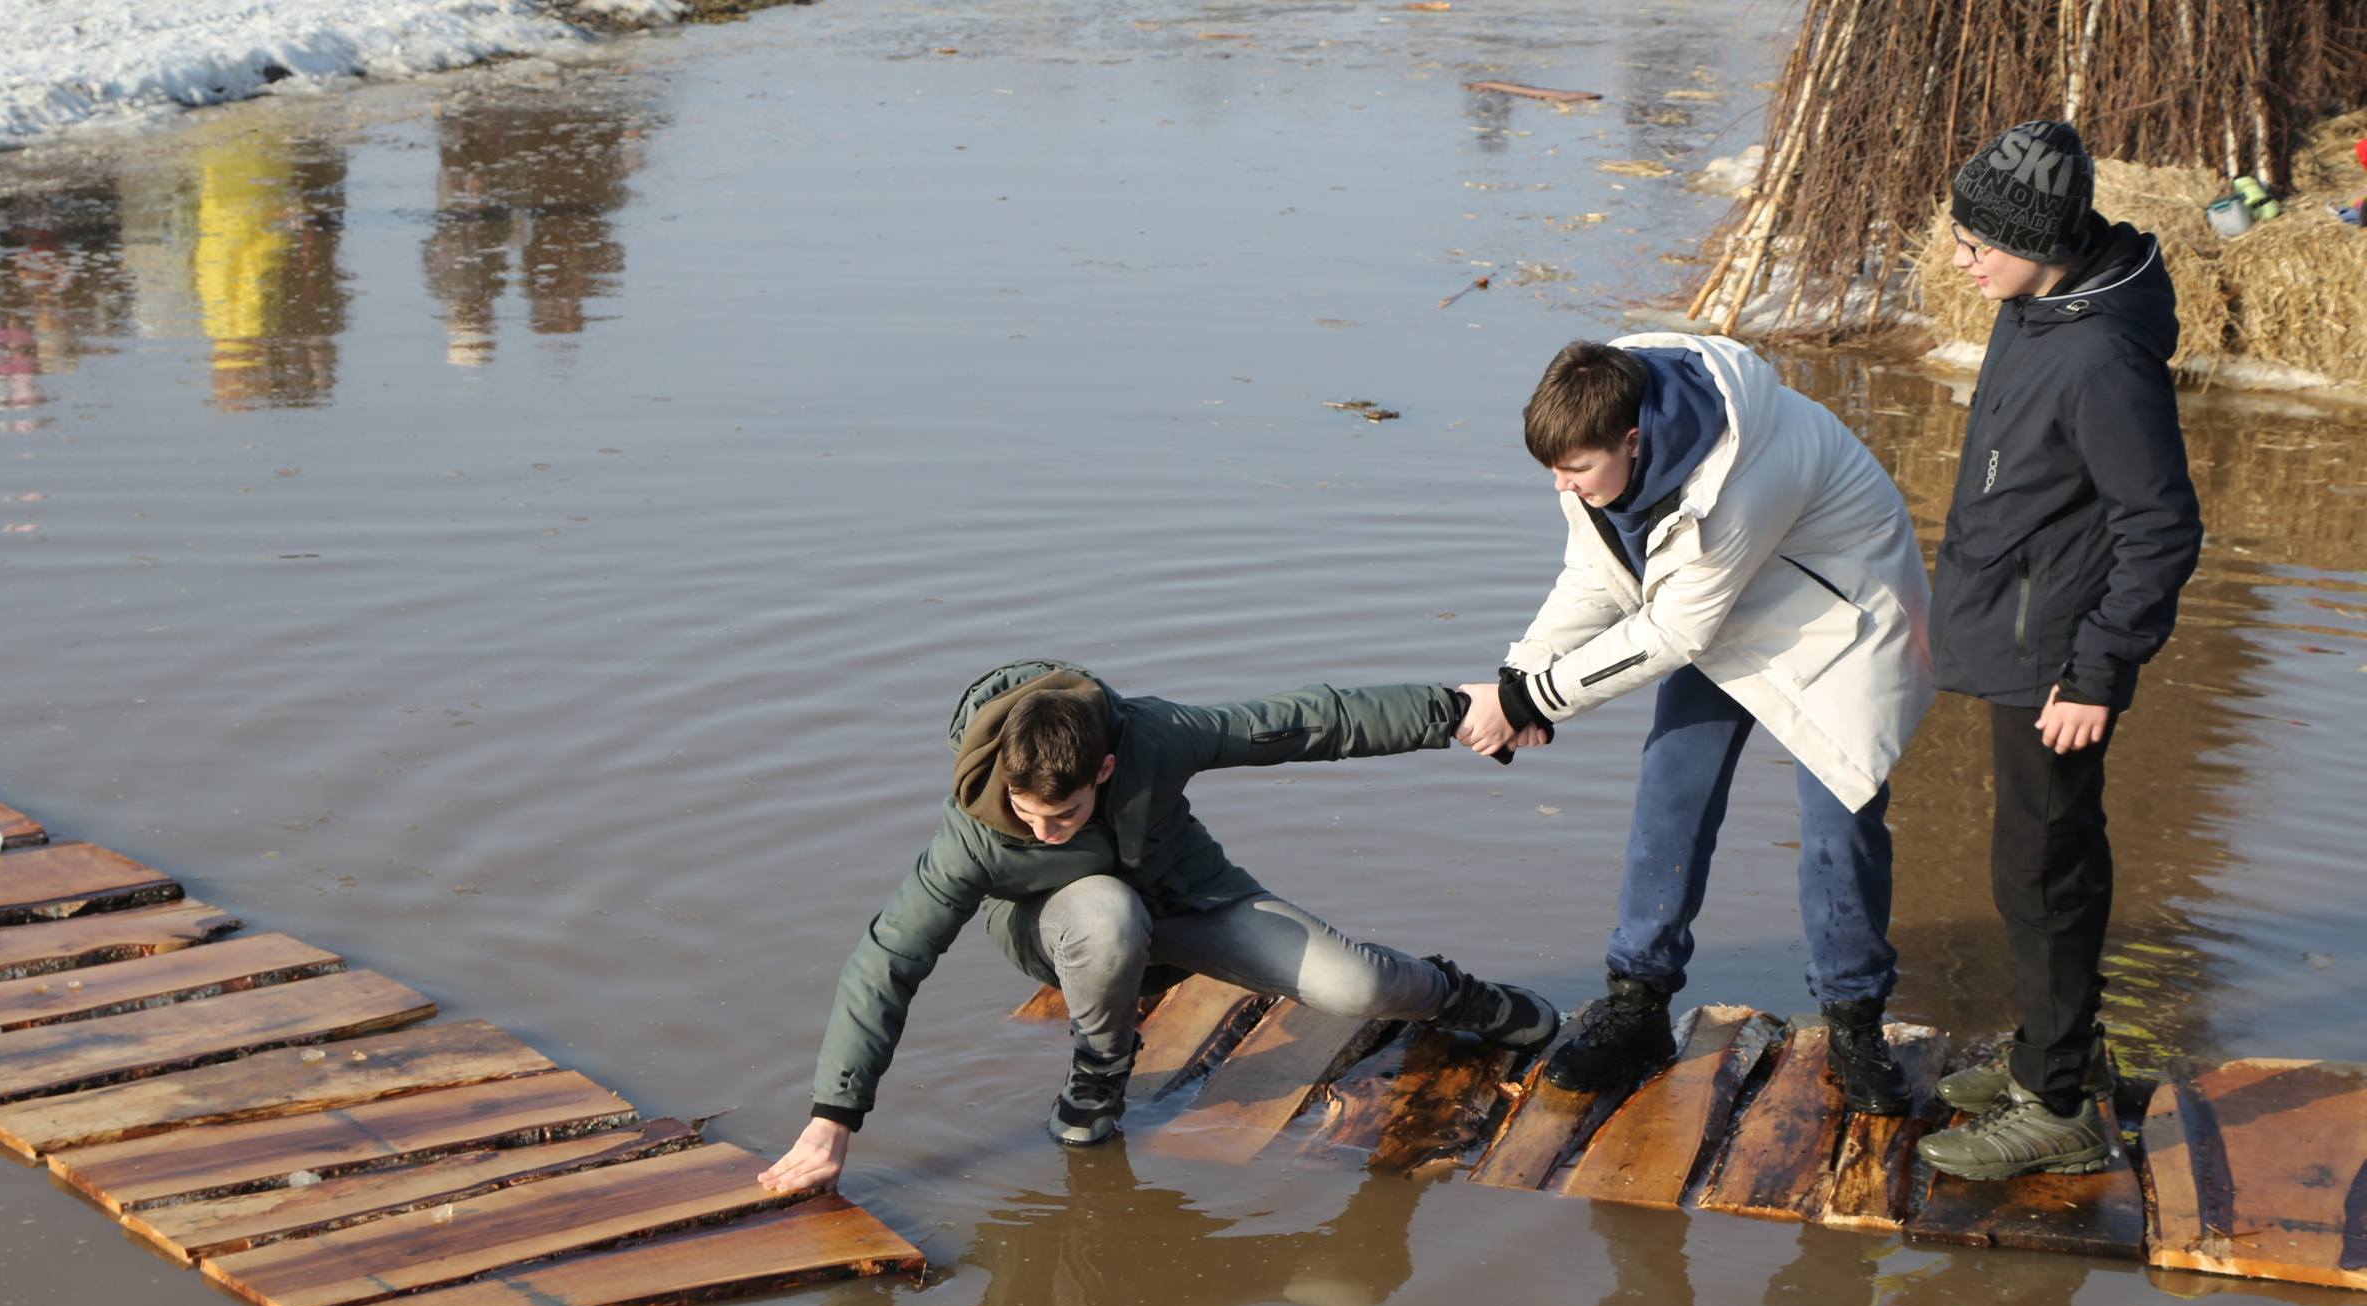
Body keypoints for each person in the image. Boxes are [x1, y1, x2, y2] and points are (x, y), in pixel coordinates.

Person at [757, 660, 1557, 1192]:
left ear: (1103, 770)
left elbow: (1305, 722)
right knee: (1104, 910)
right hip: (1070, 937)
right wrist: (834, 1118)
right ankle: (1099, 1071)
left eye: (1062, 816)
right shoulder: (973, 830)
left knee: (1358, 984)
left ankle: (1455, 996)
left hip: (1193, 901)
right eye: (1028, 818)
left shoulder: (1151, 737)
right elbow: (887, 958)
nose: (1042, 833)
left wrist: (1452, 709)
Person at [1455, 334, 1934, 1112]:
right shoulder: (1605, 439)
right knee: (1672, 785)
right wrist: (1522, 672)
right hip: (1722, 602)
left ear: (1634, 441)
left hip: (1839, 619)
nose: (1560, 487)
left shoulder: (1740, 478)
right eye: (1553, 468)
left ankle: (1854, 1022)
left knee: (1837, 824)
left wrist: (1529, 704)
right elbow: (1595, 574)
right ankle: (1638, 1003)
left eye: (1574, 469)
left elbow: (1674, 634)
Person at [1913, 120, 2201, 1181]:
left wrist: (2096, 671)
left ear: (2043, 241)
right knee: (2027, 863)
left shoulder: (2096, 354)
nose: (1959, 257)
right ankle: (2047, 1055)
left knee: (2045, 871)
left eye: (1977, 241)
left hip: (2058, 667)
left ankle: (2062, 1110)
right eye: (1959, 234)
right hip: (2016, 632)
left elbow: (2161, 524)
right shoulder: (2037, 302)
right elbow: (2015, 482)